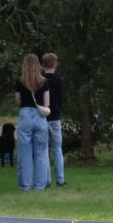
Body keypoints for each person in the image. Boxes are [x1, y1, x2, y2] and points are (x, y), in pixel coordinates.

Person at [14, 54, 50, 191]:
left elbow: (18, 101)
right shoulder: (44, 82)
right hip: (40, 117)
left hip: (25, 116)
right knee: (40, 153)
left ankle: (25, 185)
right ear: (38, 65)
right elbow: (47, 104)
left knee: (25, 153)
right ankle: (40, 185)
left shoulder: (20, 82)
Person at [41, 52, 66, 187]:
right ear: (55, 64)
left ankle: (46, 180)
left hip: (42, 116)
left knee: (44, 149)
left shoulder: (40, 80)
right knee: (57, 148)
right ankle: (60, 179)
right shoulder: (59, 79)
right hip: (55, 116)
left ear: (43, 65)